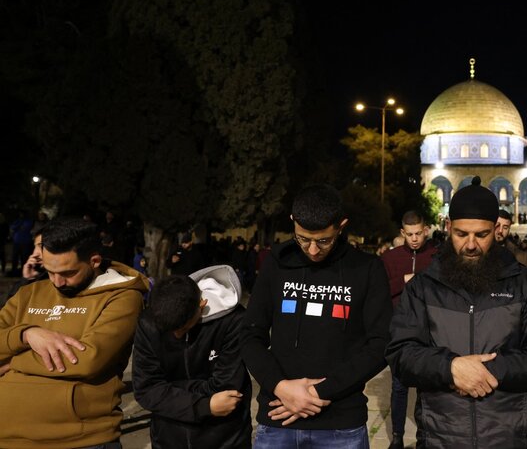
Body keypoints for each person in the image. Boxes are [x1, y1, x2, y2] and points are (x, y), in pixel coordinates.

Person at [386, 176, 527, 448]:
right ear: (448, 227)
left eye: (481, 235)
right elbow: (401, 353)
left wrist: (487, 370)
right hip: (440, 439)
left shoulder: (525, 285)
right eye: (461, 234)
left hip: (508, 439)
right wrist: (450, 368)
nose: (470, 245)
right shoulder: (423, 288)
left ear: (496, 230)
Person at [241, 185, 391, 448]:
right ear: (293, 222)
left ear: (341, 226)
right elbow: (250, 334)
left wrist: (316, 393)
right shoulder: (276, 263)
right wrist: (280, 387)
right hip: (278, 415)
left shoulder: (367, 269)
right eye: (303, 239)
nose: (312, 250)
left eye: (323, 240)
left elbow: (381, 344)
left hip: (341, 424)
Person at [0, 217, 149, 448]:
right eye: (49, 272)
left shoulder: (123, 296)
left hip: (81, 440)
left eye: (67, 273)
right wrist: (27, 334)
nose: (57, 282)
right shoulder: (28, 294)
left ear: (94, 261)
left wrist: (13, 361)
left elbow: (88, 359)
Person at [133, 266, 252, 448]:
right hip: (167, 438)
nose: (176, 336)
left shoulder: (233, 321)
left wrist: (168, 390)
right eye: (169, 331)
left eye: (182, 328)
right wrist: (203, 405)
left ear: (201, 306)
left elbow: (226, 389)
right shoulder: (149, 322)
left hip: (225, 439)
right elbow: (146, 389)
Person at [380, 210, 438, 449]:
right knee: (399, 386)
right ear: (402, 233)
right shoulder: (390, 257)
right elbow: (379, 290)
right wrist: (404, 279)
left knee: (426, 387)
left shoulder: (436, 255)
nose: (415, 238)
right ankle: (397, 436)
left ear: (425, 230)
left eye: (418, 233)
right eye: (410, 234)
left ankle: (424, 435)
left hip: (429, 331)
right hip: (399, 332)